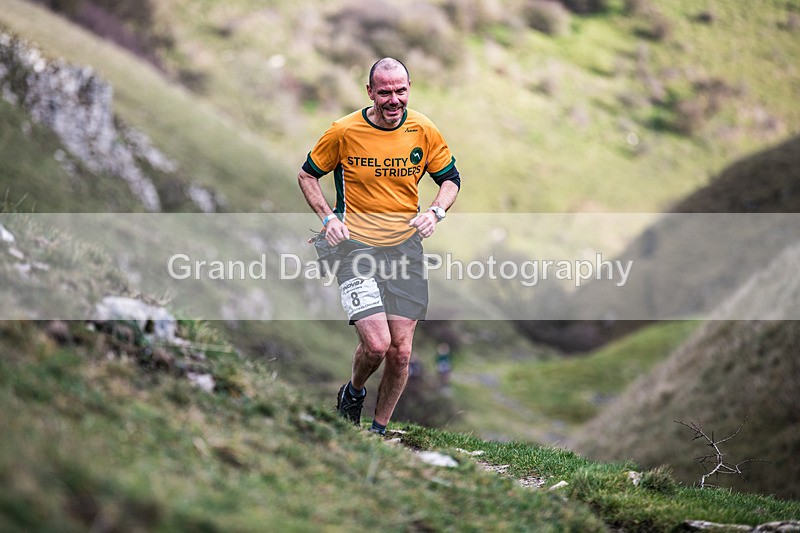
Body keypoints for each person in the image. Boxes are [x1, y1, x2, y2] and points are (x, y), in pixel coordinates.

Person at [297, 57, 461, 435]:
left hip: (405, 250)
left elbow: (450, 179)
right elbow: (307, 175)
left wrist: (435, 212)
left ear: (409, 89)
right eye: (384, 92)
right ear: (369, 92)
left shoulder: (423, 129)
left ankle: (377, 432)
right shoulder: (343, 131)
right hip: (354, 249)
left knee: (401, 353)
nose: (393, 100)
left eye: (400, 91)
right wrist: (328, 218)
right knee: (376, 345)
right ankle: (352, 394)